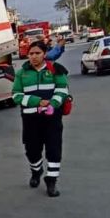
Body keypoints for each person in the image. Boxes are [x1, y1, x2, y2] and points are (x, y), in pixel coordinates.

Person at [12, 40, 69, 197]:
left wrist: (53, 103)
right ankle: (36, 171)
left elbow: (63, 90)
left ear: (45, 54)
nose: (34, 56)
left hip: (52, 118)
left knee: (54, 149)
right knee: (32, 149)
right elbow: (16, 95)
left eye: (37, 53)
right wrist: (37, 101)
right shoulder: (21, 73)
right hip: (30, 119)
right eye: (31, 54)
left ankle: (51, 181)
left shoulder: (55, 69)